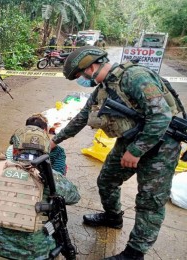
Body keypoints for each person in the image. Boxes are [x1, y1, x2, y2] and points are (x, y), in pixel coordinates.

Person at [52, 46, 182, 259]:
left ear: (91, 66)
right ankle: (113, 217)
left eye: (79, 75)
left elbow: (161, 116)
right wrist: (55, 140)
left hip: (161, 144)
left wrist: (135, 151)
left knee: (150, 201)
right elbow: (83, 116)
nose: (80, 80)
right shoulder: (104, 86)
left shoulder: (135, 77)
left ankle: (134, 252)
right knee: (107, 180)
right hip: (131, 138)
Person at [0, 125, 80, 259]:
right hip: (36, 256)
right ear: (46, 150)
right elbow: (74, 197)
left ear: (15, 149)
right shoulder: (53, 178)